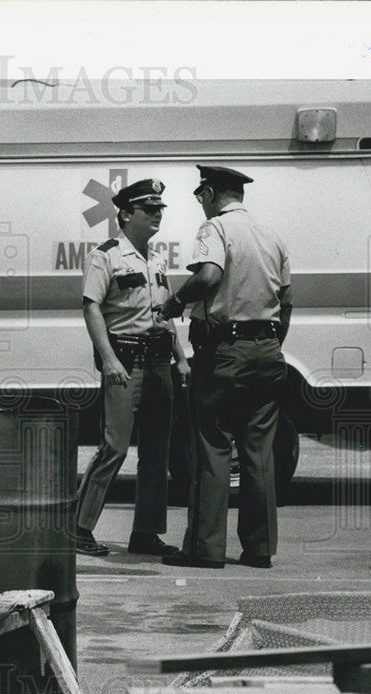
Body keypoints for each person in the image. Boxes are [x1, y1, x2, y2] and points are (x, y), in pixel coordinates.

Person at [156, 165, 292, 569]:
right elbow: (287, 301)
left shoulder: (215, 229)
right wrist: (269, 345)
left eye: (201, 196)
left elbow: (210, 274)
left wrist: (175, 303)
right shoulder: (272, 235)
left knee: (211, 446)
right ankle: (259, 549)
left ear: (212, 193)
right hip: (268, 352)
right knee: (259, 453)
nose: (201, 205)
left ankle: (204, 549)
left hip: (224, 355)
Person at [75, 178, 191, 557]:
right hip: (126, 361)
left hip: (159, 361)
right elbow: (91, 305)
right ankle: (78, 527)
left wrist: (181, 356)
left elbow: (163, 313)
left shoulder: (155, 260)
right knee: (115, 446)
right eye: (149, 208)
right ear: (126, 214)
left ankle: (146, 533)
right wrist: (108, 359)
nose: (158, 214)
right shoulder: (106, 255)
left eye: (160, 209)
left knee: (158, 451)